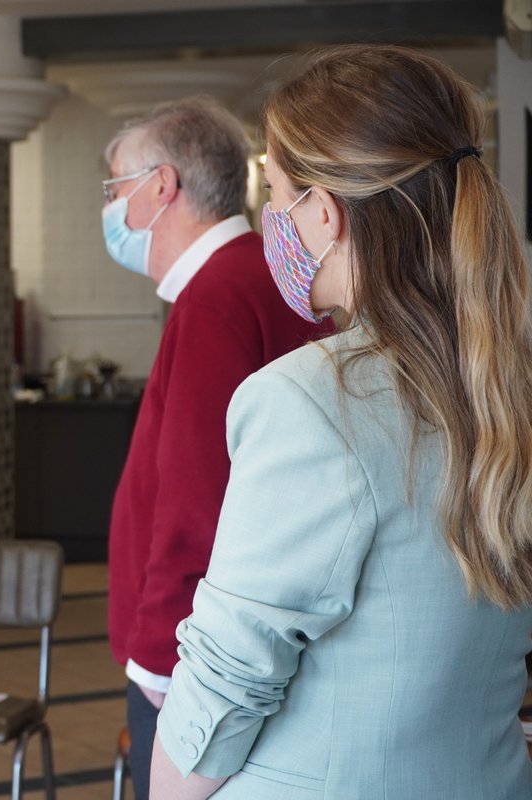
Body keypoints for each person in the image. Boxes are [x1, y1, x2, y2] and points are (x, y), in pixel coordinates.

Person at [150, 44, 532, 799]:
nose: (268, 218)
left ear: (323, 214)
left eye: (277, 190)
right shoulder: (508, 382)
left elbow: (227, 680)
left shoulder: (308, 401)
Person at [101, 97, 332, 798]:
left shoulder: (215, 296)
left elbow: (197, 498)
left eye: (115, 190)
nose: (111, 210)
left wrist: (158, 664)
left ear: (161, 187)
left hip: (194, 656)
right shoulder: (261, 274)